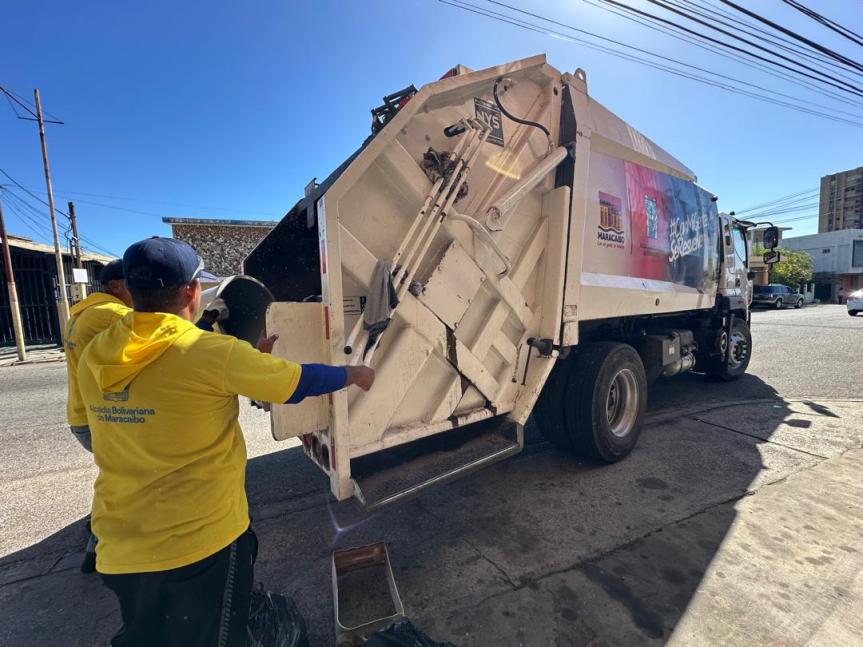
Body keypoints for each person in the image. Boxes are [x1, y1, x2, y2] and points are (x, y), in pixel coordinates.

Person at [78, 236, 374, 647]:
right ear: (191, 290)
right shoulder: (210, 353)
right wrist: (353, 375)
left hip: (121, 546)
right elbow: (296, 382)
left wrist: (250, 356)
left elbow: (170, 366)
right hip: (199, 545)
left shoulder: (97, 351)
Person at [64, 259, 132, 573]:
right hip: (101, 419)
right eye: (134, 282)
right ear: (116, 286)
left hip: (82, 415)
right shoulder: (112, 314)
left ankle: (97, 525)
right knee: (126, 483)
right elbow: (169, 344)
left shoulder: (79, 313)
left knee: (116, 476)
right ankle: (98, 547)